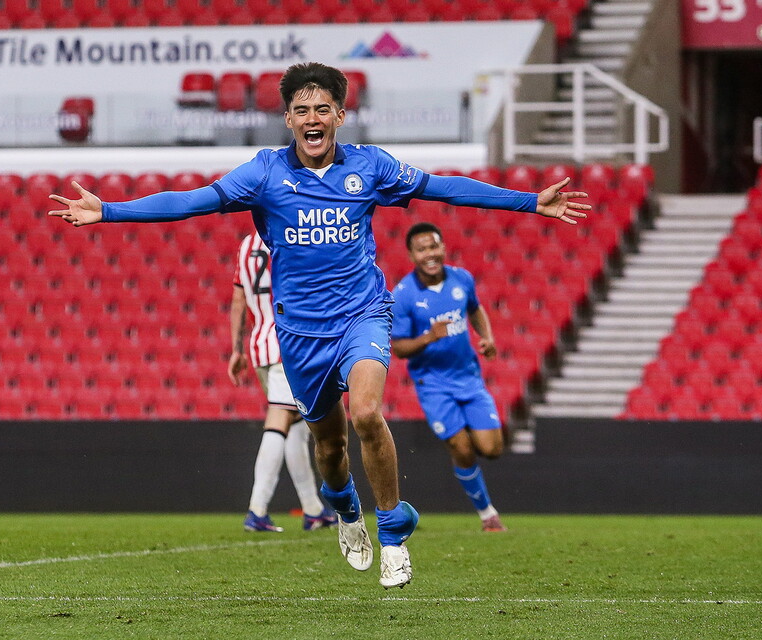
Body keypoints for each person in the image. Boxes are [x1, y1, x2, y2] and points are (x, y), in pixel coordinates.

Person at [49, 61, 590, 589]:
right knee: (329, 451)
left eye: (323, 108)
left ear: (339, 116)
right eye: (301, 109)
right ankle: (346, 512)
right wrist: (112, 211)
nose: (312, 117)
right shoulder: (263, 172)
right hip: (301, 334)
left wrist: (527, 202)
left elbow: (442, 187)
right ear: (288, 119)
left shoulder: (369, 166)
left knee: (368, 413)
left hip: (363, 315)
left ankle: (393, 536)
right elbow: (192, 202)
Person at [391, 222, 508, 532]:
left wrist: (487, 337)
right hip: (433, 383)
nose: (430, 254)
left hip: (469, 377)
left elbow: (475, 309)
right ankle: (488, 515)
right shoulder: (403, 295)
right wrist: (429, 337)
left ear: (442, 248)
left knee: (493, 449)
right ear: (412, 255)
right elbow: (399, 348)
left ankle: (466, 426)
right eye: (422, 249)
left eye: (434, 247)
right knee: (461, 448)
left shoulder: (462, 278)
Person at [229, 231, 338, 533]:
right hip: (290, 343)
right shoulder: (291, 234)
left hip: (261, 345)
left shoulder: (246, 245)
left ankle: (313, 510)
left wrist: (237, 349)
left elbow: (238, 299)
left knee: (297, 427)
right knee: (280, 417)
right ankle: (257, 509)